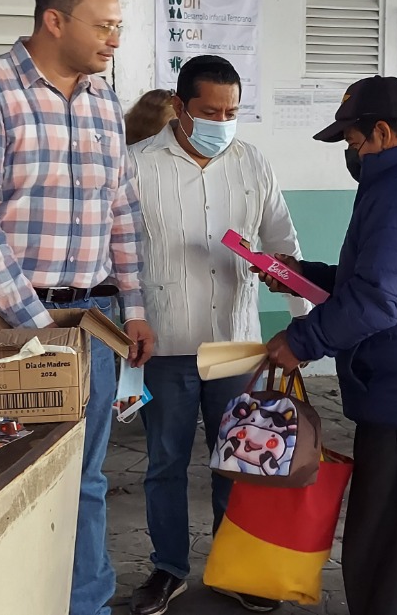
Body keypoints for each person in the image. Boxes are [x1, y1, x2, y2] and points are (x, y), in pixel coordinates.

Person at [0, 0, 157, 615]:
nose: (114, 38)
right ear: (54, 20)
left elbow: (121, 207)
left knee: (82, 480)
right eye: (103, 25)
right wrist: (37, 323)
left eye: (119, 27)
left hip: (91, 318)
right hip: (0, 320)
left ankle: (83, 605)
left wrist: (136, 306)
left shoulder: (100, 100)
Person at [262, 76, 397, 615]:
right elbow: (385, 280)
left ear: (382, 132)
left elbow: (377, 301)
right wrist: (302, 274)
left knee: (390, 553)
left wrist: (301, 340)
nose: (350, 154)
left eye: (353, 142)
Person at [126, 55, 308, 615]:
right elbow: (121, 254)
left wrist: (304, 323)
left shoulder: (252, 163)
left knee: (239, 461)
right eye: (210, 111)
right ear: (181, 108)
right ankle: (169, 568)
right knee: (165, 462)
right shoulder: (136, 165)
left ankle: (235, 568)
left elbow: (284, 242)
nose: (222, 121)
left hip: (236, 346)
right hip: (165, 343)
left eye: (231, 111)